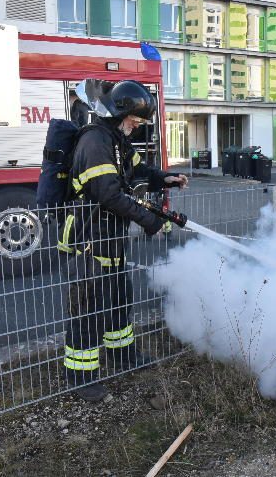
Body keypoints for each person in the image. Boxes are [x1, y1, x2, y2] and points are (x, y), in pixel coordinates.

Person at [60, 79, 188, 402]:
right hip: (89, 239)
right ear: (121, 113)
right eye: (135, 119)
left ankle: (123, 355)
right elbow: (109, 193)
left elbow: (138, 170)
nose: (137, 125)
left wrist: (165, 179)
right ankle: (80, 377)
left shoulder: (116, 140)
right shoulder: (94, 141)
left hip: (111, 238)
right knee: (88, 308)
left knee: (118, 299)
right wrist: (150, 221)